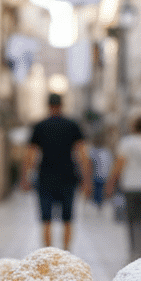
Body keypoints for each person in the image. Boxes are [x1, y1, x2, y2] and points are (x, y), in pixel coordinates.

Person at [22, 93, 92, 250]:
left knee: (46, 219)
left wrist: (25, 178)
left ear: (48, 106)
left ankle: (48, 254)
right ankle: (66, 253)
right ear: (62, 105)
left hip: (45, 177)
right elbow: (83, 155)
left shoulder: (39, 126)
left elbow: (30, 155)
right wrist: (87, 181)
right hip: (68, 177)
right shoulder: (72, 125)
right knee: (68, 219)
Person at [105, 114, 141, 258]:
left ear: (134, 126)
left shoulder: (126, 143)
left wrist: (111, 183)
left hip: (130, 186)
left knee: (131, 219)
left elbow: (118, 165)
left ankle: (133, 250)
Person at [89, 140, 113, 208]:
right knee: (99, 192)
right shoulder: (106, 152)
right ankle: (99, 205)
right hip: (101, 175)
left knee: (99, 192)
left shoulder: (93, 151)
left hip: (100, 175)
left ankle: (99, 205)